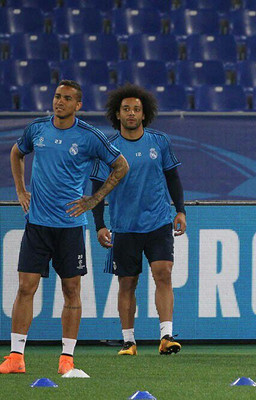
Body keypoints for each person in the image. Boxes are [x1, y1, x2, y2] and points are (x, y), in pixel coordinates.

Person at [0, 81, 129, 375]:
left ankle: (66, 359)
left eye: (67, 98)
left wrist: (94, 199)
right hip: (37, 225)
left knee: (71, 291)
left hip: (70, 227)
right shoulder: (37, 130)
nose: (59, 102)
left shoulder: (89, 136)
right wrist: (20, 191)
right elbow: (16, 153)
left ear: (78, 105)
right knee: (25, 287)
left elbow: (121, 166)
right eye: (57, 96)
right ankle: (16, 357)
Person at [90, 84, 186, 356]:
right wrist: (99, 224)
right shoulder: (108, 149)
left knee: (163, 273)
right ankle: (128, 341)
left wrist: (180, 210)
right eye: (126, 109)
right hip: (124, 226)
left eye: (136, 109)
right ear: (117, 115)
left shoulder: (159, 141)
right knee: (127, 283)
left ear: (144, 114)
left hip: (157, 222)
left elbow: (173, 178)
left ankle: (166, 336)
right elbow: (96, 188)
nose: (131, 114)